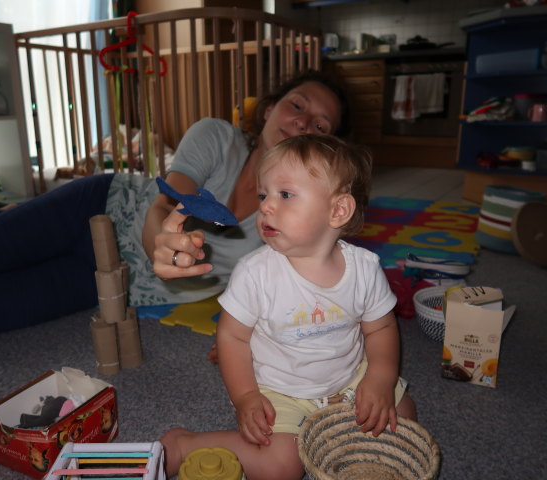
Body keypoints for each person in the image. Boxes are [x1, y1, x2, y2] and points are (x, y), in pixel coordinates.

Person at [0, 70, 351, 338]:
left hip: (111, 285)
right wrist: (160, 238)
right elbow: (163, 205)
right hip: (93, 208)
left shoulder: (296, 223)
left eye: (319, 126)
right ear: (269, 109)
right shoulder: (216, 136)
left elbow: (299, 296)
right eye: (297, 105)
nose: (302, 122)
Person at [160, 134, 417, 480]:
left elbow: (381, 328)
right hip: (281, 389)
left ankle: (348, 427)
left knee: (403, 415)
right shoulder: (256, 273)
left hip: (349, 377)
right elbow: (233, 339)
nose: (265, 206)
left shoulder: (365, 268)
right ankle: (185, 444)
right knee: (281, 467)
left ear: (337, 210)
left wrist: (380, 377)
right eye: (264, 194)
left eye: (285, 195)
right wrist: (246, 397)